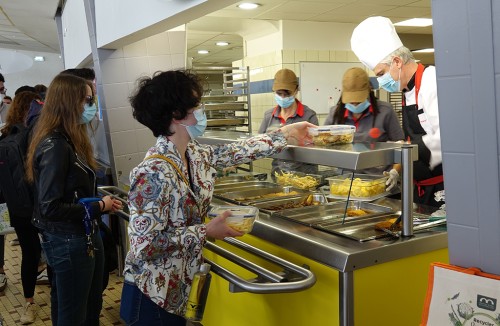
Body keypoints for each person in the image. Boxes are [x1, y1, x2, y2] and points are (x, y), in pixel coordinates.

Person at [120, 69, 315, 325]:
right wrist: (206, 231)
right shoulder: (151, 173)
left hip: (176, 290)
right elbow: (144, 245)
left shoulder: (194, 154)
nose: (202, 111)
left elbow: (235, 152)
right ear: (177, 114)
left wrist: (286, 134)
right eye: (197, 104)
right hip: (150, 295)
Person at [25, 73, 122, 325]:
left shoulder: (69, 140)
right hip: (69, 240)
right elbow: (50, 206)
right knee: (73, 312)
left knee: (85, 304)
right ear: (69, 102)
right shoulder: (55, 145)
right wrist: (100, 205)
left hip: (80, 235)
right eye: (87, 100)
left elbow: (71, 190)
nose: (91, 106)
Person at [351, 16, 444, 208]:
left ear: (397, 62)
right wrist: (397, 170)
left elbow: (446, 138)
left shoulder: (431, 81)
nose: (380, 82)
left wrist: (405, 148)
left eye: (380, 74)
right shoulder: (405, 89)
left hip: (442, 188)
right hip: (419, 187)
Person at [0, 91, 43, 324]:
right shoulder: (37, 135)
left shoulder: (5, 136)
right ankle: (57, 296)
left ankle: (28, 304)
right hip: (44, 206)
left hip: (19, 209)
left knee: (30, 253)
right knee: (49, 251)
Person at [324, 67, 404, 189]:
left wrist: (394, 171)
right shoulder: (335, 115)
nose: (355, 105)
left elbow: (401, 147)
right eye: (351, 102)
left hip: (379, 182)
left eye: (358, 101)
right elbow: (323, 145)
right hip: (346, 182)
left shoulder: (385, 112)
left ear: (369, 91)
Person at [258, 68, 319, 175]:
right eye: (279, 93)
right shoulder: (269, 116)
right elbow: (258, 145)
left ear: (296, 90)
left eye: (287, 94)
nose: (283, 97)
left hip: (306, 177)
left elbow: (317, 149)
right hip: (278, 177)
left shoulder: (308, 116)